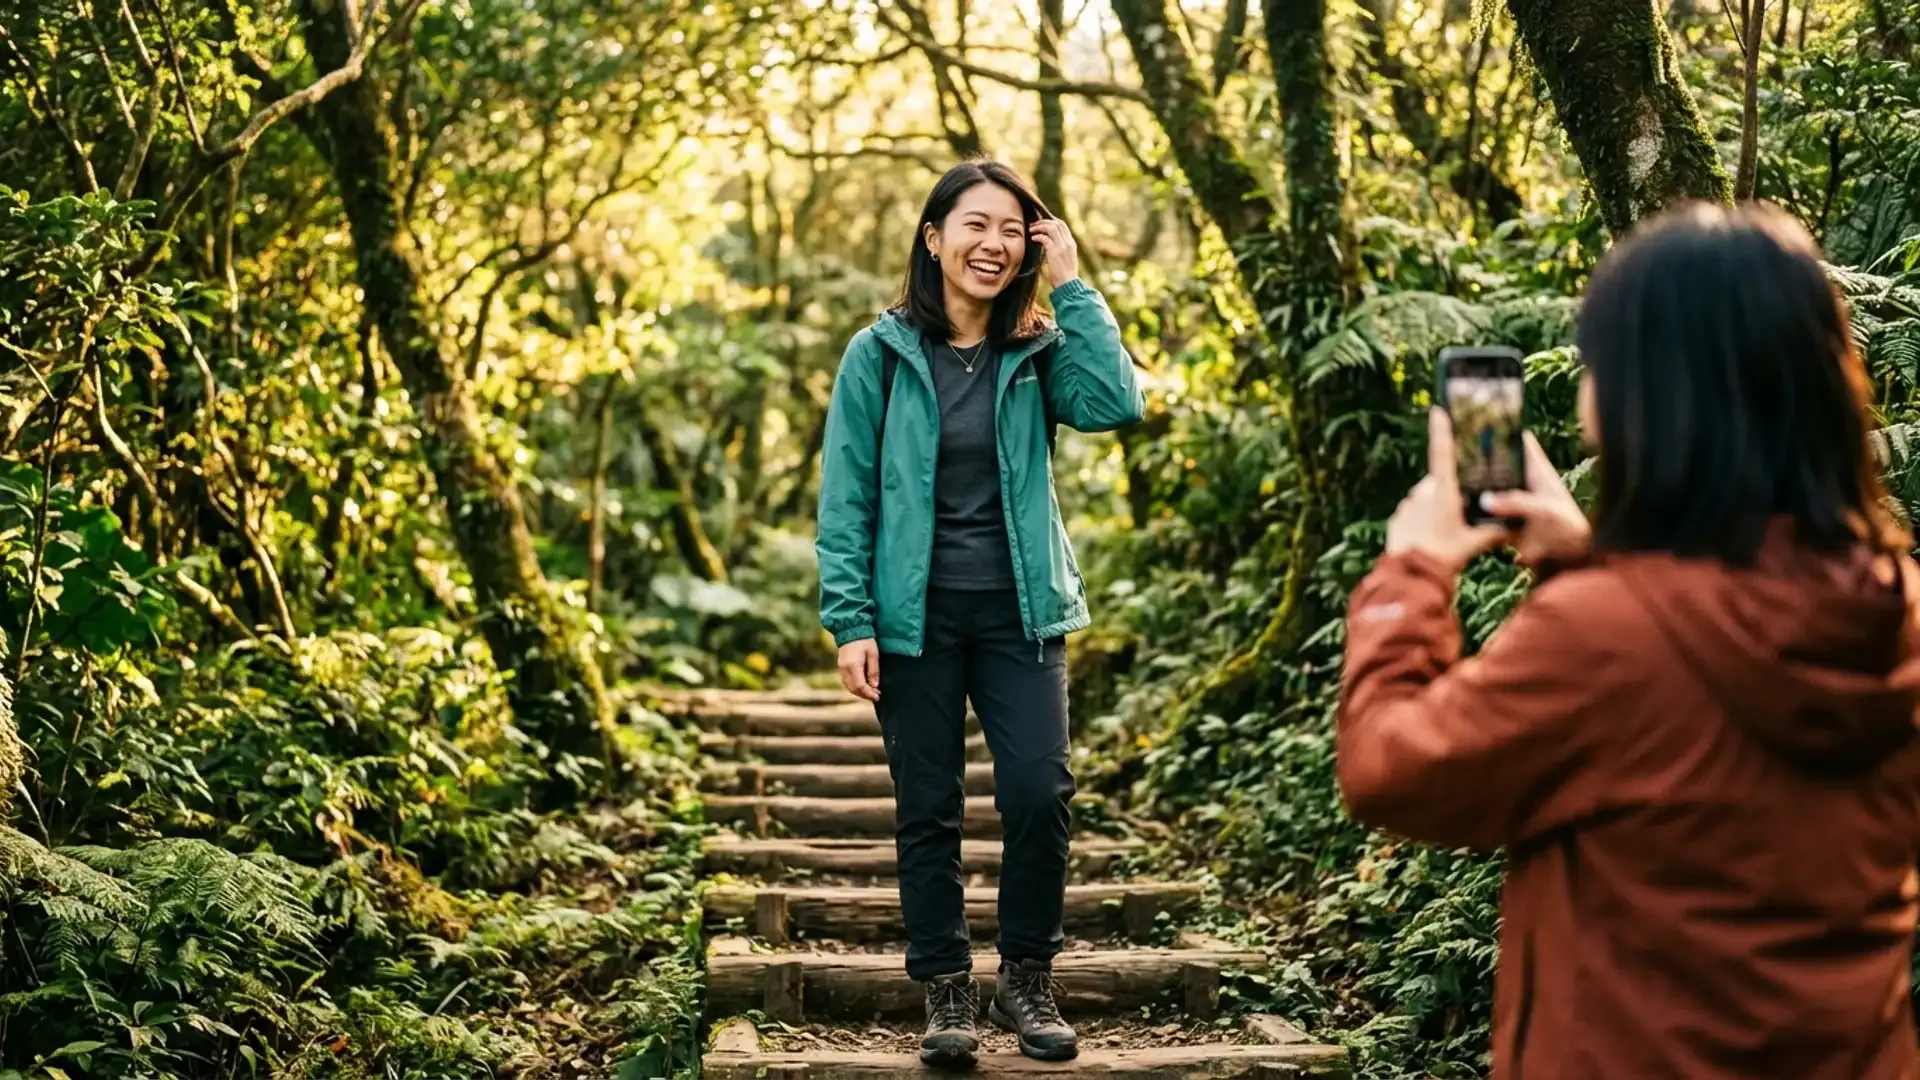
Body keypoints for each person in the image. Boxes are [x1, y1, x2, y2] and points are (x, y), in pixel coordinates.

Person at [1338, 201, 1920, 1079]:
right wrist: (1586, 565)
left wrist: (1413, 573)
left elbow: (1391, 769)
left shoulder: (1604, 637)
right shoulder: (1897, 610)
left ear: (1651, 394)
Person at [814, 158, 1144, 1067]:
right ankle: (948, 992)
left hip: (1022, 614)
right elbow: (846, 499)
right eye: (975, 226)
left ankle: (1027, 981)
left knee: (1041, 793)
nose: (993, 245)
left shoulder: (1039, 352)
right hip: (912, 620)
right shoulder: (877, 354)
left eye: (1012, 230)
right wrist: (850, 620)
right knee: (930, 806)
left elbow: (1119, 402)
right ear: (934, 238)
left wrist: (1074, 287)